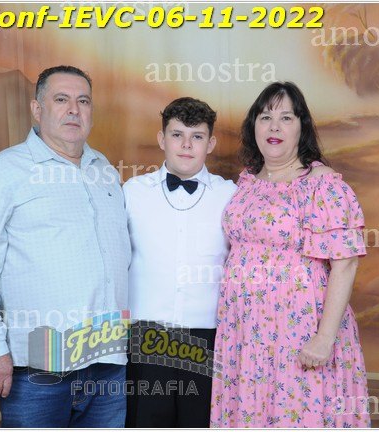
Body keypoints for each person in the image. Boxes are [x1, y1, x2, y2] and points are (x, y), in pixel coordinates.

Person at [0, 65, 130, 428]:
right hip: (38, 368)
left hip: (107, 363)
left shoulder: (105, 171)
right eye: (61, 99)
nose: (74, 110)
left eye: (83, 101)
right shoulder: (4, 172)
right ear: (37, 109)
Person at [210, 82, 370, 427]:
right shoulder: (247, 182)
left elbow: (345, 264)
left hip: (300, 333)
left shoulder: (322, 184)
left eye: (286, 118)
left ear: (302, 127)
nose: (274, 127)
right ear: (253, 126)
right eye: (265, 117)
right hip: (246, 334)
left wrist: (324, 339)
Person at [123, 97, 237, 427]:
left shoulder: (231, 196)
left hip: (207, 339)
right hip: (146, 338)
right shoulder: (132, 192)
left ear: (210, 143)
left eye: (197, 136)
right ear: (162, 139)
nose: (186, 145)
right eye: (177, 135)